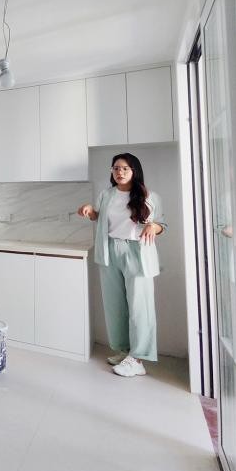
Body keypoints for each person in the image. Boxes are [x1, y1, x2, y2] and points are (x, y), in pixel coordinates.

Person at [78, 153, 166, 378]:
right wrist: (90, 210)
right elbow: (99, 217)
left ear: (134, 171)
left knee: (139, 306)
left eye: (125, 168)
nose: (120, 172)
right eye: (116, 168)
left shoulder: (150, 196)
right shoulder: (106, 194)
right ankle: (125, 351)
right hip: (110, 251)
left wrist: (153, 226)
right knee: (114, 305)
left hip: (137, 252)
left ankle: (138, 358)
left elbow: (162, 224)